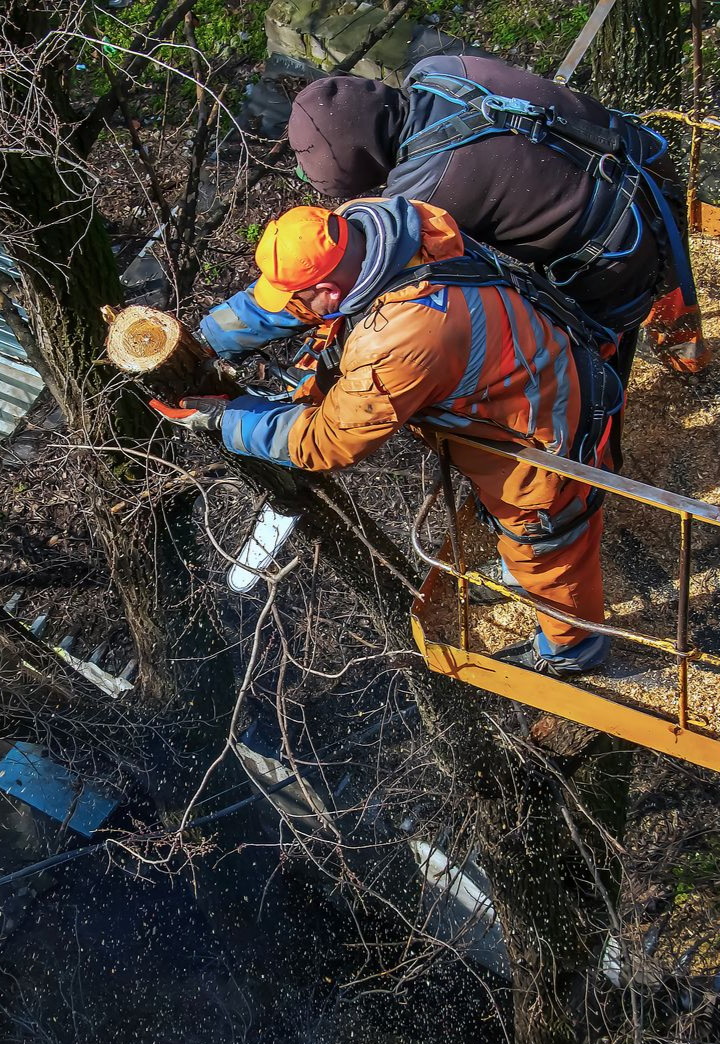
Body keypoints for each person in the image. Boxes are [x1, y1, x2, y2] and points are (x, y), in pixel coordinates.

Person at [151, 196, 624, 679]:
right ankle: (515, 576)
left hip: (545, 436)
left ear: (330, 291)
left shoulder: (402, 337)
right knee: (515, 529)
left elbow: (327, 440)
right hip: (529, 362)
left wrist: (228, 420)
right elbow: (285, 301)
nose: (292, 306)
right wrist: (204, 339)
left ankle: (573, 650)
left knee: (544, 541)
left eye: (303, 297)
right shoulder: (375, 227)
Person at [287, 55, 710, 377]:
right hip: (649, 171)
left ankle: (611, 431)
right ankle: (689, 355)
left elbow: (417, 283)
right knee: (669, 272)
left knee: (588, 358)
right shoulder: (439, 70)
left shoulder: (423, 194)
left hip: (618, 256)